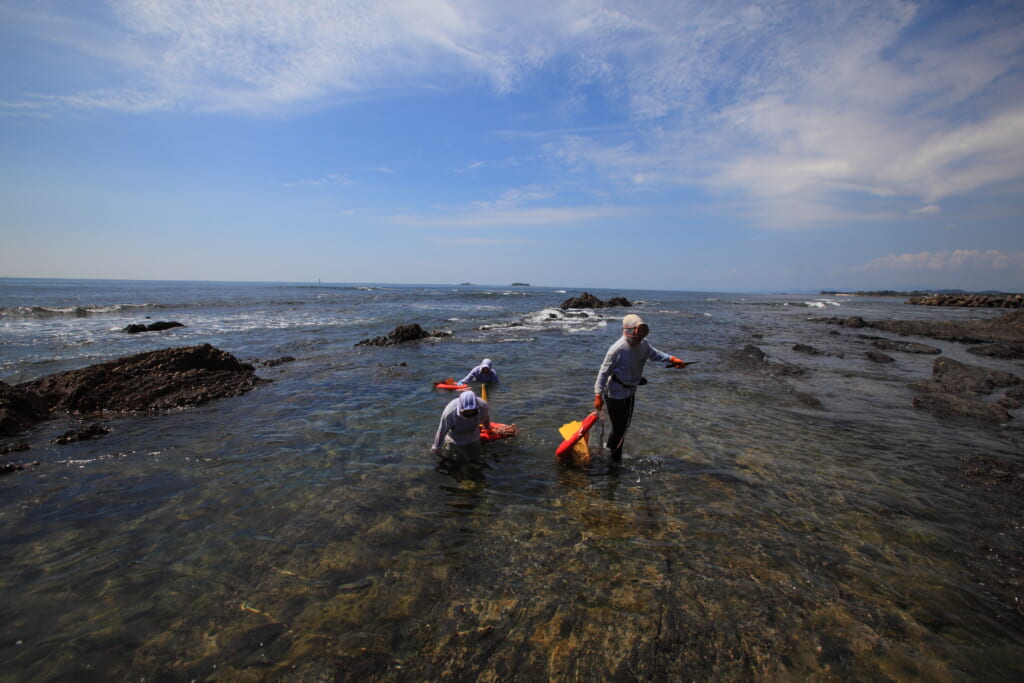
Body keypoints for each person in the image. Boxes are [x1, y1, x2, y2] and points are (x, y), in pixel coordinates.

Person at [593, 314, 687, 462]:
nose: (640, 337)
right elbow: (603, 372)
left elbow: (654, 354)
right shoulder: (617, 349)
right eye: (638, 333)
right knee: (620, 427)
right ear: (629, 331)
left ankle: (609, 450)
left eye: (642, 333)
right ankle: (615, 463)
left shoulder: (643, 344)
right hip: (615, 392)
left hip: (630, 389)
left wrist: (672, 359)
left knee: (623, 425)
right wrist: (598, 395)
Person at [431, 389, 491, 456]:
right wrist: (435, 447)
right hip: (456, 439)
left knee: (476, 456)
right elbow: (442, 431)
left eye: (473, 411)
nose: (470, 413)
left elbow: (486, 418)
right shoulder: (449, 413)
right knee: (458, 459)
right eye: (467, 411)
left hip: (474, 436)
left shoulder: (483, 406)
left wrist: (488, 429)